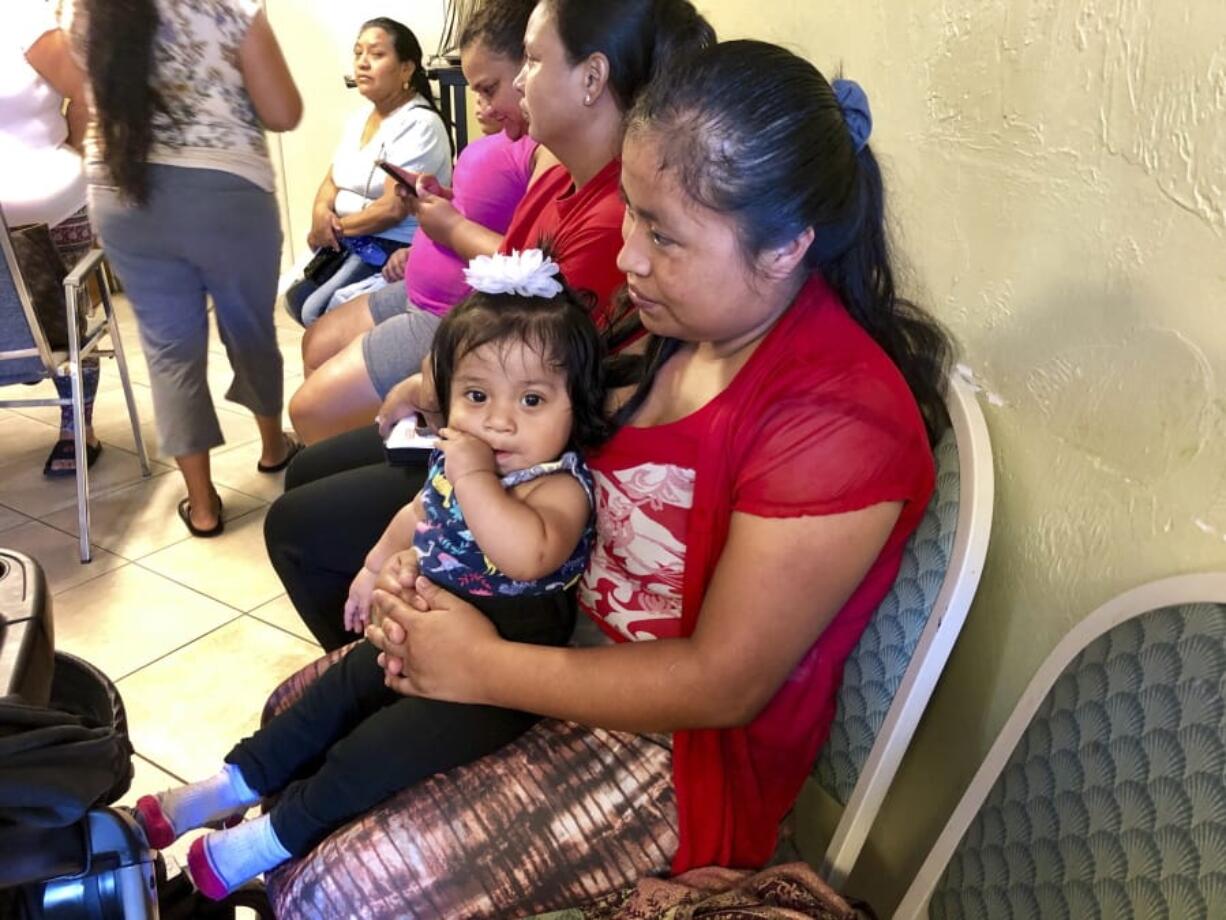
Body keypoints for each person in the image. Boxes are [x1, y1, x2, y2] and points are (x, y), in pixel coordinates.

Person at [317, 40, 949, 918]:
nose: (628, 258)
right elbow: (525, 462)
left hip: (672, 762)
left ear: (786, 246)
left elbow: (723, 685)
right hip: (543, 633)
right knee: (306, 739)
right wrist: (428, 559)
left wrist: (484, 665)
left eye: (664, 234)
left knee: (340, 891)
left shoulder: (839, 421)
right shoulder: (662, 326)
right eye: (633, 214)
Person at [133, 253, 607, 900]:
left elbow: (526, 555)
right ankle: (230, 784)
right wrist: (375, 564)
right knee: (326, 703)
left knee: (376, 752)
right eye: (476, 395)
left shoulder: (558, 487)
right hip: (423, 617)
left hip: (500, 670)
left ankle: (261, 841)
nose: (498, 421)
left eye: (531, 399)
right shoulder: (461, 459)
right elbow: (418, 512)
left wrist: (471, 476)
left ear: (575, 407)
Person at [266, 0, 717, 649]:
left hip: (518, 459)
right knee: (312, 470)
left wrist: (446, 404)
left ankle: (391, 660)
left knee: (299, 523)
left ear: (592, 79)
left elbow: (532, 372)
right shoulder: (560, 177)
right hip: (480, 413)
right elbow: (496, 315)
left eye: (532, 61)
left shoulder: (616, 219)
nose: (520, 79)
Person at [70, 0, 302, 537]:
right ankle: (273, 447)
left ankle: (202, 506)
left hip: (122, 191)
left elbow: (88, 99)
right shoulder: (232, 6)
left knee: (168, 346)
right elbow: (283, 112)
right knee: (248, 326)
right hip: (223, 192)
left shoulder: (82, 9)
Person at [289, 0, 549, 443]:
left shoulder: (540, 146)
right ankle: (350, 440)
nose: (481, 107)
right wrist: (437, 209)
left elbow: (528, 262)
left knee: (307, 411)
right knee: (315, 341)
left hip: (446, 311)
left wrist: (445, 227)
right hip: (417, 282)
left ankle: (354, 450)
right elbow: (480, 211)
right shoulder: (508, 136)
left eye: (489, 89)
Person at [285, 18, 453, 328]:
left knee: (317, 313)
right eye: (358, 53)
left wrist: (334, 230)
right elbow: (332, 179)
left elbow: (392, 209)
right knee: (295, 300)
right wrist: (320, 213)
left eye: (376, 54)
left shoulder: (420, 124)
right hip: (352, 237)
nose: (363, 63)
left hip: (392, 247)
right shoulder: (359, 117)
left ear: (406, 68)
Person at [1, 0, 100, 476]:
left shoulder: (22, 15)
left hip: (48, 201)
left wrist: (79, 159)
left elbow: (85, 91)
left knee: (63, 324)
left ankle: (76, 424)